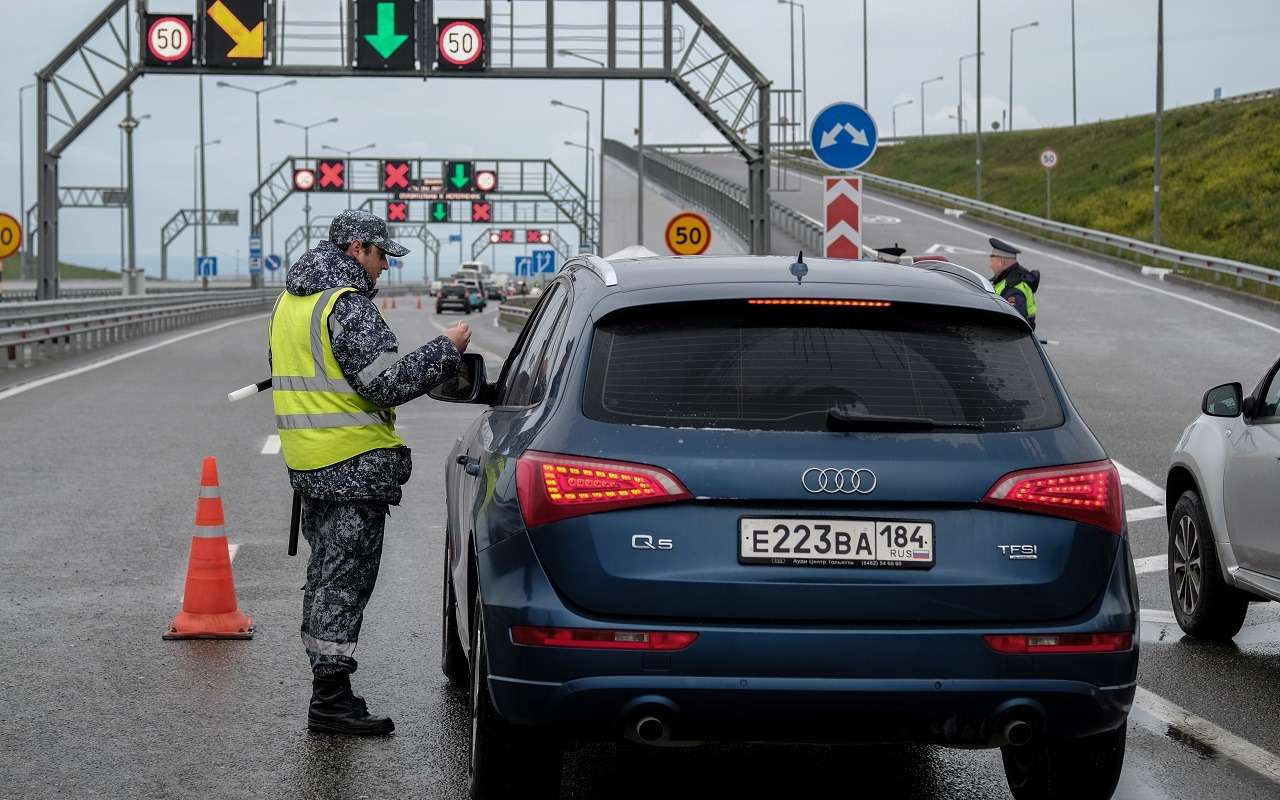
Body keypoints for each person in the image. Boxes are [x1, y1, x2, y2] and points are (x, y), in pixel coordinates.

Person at [268, 209, 472, 736]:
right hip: (351, 467)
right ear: (358, 249)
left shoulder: (291, 301)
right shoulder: (347, 306)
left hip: (311, 464)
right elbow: (385, 384)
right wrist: (444, 350)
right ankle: (330, 701)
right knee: (342, 583)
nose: (384, 269)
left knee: (325, 579)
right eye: (382, 256)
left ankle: (330, 691)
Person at [988, 237, 1040, 329]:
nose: (990, 265)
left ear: (1001, 262)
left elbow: (1013, 325)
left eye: (992, 261)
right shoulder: (1009, 278)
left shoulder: (1013, 289)